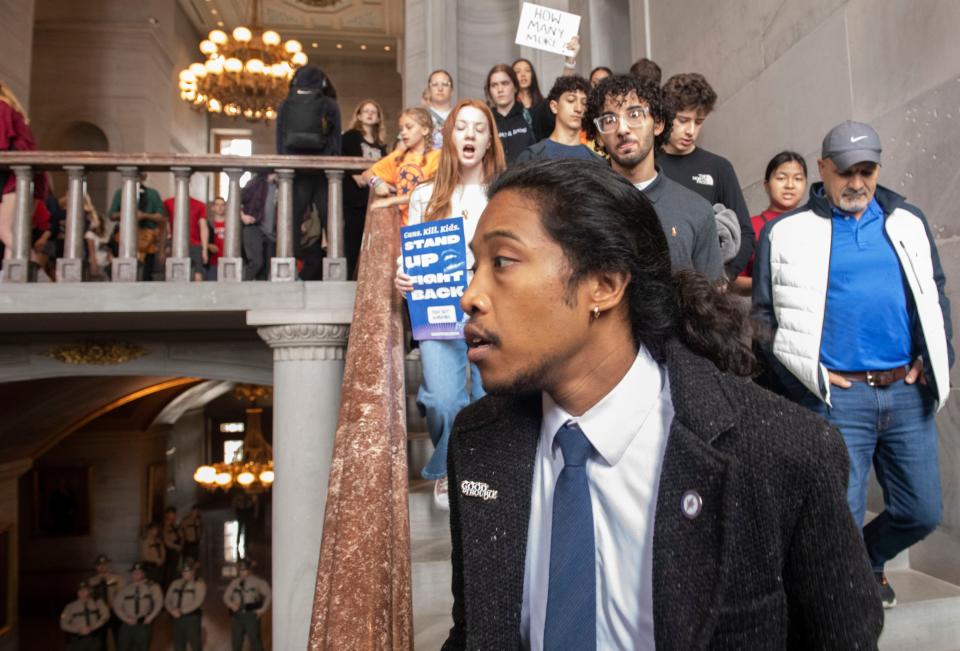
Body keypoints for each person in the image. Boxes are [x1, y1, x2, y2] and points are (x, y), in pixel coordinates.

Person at [442, 159, 883, 649]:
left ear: (605, 284)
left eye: (501, 262)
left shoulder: (784, 451)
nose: (470, 296)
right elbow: (473, 632)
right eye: (474, 266)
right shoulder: (478, 441)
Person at [752, 121, 953, 609]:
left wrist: (935, 353)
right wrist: (808, 377)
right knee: (836, 515)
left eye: (867, 170)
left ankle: (866, 561)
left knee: (921, 510)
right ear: (823, 169)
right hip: (839, 398)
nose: (857, 182)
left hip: (906, 392)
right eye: (845, 172)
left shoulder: (907, 220)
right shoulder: (786, 232)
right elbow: (763, 318)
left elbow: (934, 291)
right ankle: (844, 602)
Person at [396, 99, 506, 509]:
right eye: (463, 127)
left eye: (480, 128)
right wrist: (402, 273)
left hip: (492, 308)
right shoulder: (426, 195)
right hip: (438, 307)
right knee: (442, 399)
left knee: (488, 396)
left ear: (489, 139)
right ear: (449, 136)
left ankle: (466, 473)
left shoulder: (505, 193)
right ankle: (447, 464)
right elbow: (412, 252)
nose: (471, 135)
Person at [584, 74, 723, 280]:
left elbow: (711, 304)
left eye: (635, 114)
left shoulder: (696, 211)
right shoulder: (582, 206)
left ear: (657, 124)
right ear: (598, 136)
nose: (622, 129)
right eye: (609, 120)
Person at [657, 73, 754, 278]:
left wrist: (725, 275)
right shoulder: (649, 165)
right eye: (683, 120)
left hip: (706, 286)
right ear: (666, 115)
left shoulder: (719, 167)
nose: (690, 130)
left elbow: (746, 233)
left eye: (698, 122)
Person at [276, 65, 342, 279]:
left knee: (291, 219)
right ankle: (336, 269)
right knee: (330, 219)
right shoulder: (330, 104)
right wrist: (332, 161)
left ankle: (287, 267)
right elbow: (336, 140)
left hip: (297, 170)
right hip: (324, 172)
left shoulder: (285, 104)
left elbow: (280, 138)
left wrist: (286, 162)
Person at [731, 151, 807, 295]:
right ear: (766, 185)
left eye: (797, 179)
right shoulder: (750, 227)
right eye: (781, 178)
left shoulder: (815, 225)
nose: (790, 185)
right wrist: (771, 283)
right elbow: (733, 281)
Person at [361, 107, 439, 225]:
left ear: (425, 130)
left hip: (432, 225)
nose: (403, 132)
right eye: (401, 128)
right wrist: (376, 182)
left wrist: (392, 201)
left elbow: (429, 192)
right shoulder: (397, 157)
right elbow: (366, 174)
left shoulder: (437, 156)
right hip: (406, 227)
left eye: (409, 127)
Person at [0, 81, 47, 263]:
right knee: (13, 233)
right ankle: (13, 284)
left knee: (6, 231)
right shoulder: (8, 107)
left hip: (18, 177)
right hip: (21, 177)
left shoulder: (1, 107)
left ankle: (41, 277)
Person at [342, 99, 388, 278]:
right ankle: (351, 276)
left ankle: (368, 276)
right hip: (354, 197)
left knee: (372, 239)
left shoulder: (380, 144)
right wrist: (355, 174)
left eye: (373, 112)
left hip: (373, 196)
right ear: (359, 115)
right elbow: (343, 157)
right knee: (353, 238)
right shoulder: (351, 136)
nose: (369, 114)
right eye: (366, 111)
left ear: (378, 118)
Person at [515, 75, 597, 163]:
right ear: (554, 106)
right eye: (570, 100)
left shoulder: (596, 161)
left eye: (584, 103)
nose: (579, 109)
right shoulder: (531, 157)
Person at [108, 172, 167, 280]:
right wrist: (128, 213)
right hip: (126, 238)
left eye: (140, 175)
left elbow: (161, 217)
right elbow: (112, 214)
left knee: (146, 274)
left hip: (147, 240)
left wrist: (144, 215)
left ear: (145, 177)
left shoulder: (152, 194)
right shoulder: (121, 192)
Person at [485, 64, 535, 164]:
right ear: (490, 91)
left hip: (528, 177)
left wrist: (569, 64)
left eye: (505, 83)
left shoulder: (531, 116)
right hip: (495, 179)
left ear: (515, 87)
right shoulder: (485, 120)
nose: (500, 90)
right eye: (494, 85)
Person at [113, 562, 163, 651]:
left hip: (143, 624)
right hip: (127, 624)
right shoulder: (126, 588)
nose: (135, 574)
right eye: (134, 572)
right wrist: (125, 618)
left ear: (144, 573)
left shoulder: (152, 586)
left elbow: (159, 602)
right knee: (123, 647)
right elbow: (117, 606)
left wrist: (151, 617)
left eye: (138, 572)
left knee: (142, 648)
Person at [224, 559, 272, 651]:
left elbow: (268, 594)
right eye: (240, 570)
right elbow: (226, 596)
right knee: (236, 642)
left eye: (244, 570)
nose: (242, 572)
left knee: (255, 641)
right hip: (237, 615)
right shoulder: (235, 582)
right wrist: (231, 604)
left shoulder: (257, 581)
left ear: (249, 570)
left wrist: (263, 609)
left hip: (251, 615)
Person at [240, 172, 278, 280]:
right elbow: (236, 198)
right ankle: (236, 286)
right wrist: (242, 216)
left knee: (266, 271)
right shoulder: (256, 183)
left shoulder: (282, 185)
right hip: (255, 226)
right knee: (256, 263)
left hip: (272, 233)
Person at [162, 193, 209, 282]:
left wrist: (204, 249)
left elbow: (203, 228)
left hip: (194, 244)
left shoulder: (199, 205)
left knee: (198, 275)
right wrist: (164, 244)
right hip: (174, 243)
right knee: (171, 273)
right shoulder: (168, 203)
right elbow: (165, 223)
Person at [165, 559, 206, 651]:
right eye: (183, 571)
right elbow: (168, 599)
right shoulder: (175, 583)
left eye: (187, 571)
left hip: (191, 619)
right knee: (178, 644)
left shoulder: (199, 584)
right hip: (176, 618)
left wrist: (182, 611)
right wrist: (171, 610)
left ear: (193, 572)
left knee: (195, 644)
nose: (184, 573)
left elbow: (198, 601)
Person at [60, 580, 110, 651]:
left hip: (94, 639)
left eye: (85, 590)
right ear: (77, 592)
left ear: (89, 591)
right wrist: (78, 630)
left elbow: (106, 615)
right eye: (80, 590)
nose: (82, 592)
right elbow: (63, 624)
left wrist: (94, 627)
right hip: (78, 640)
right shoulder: (70, 606)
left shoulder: (98, 603)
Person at [87, 553, 124, 649]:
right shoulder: (91, 581)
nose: (102, 567)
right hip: (100, 613)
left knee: (118, 637)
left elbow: (121, 594)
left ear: (108, 565)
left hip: (114, 611)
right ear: (96, 567)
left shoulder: (117, 578)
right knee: (101, 640)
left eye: (105, 564)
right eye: (99, 565)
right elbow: (90, 598)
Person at [82, 195, 114, 281]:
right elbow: (91, 251)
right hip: (96, 263)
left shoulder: (105, 235)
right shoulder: (90, 234)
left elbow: (108, 249)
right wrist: (94, 265)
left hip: (106, 264)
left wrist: (112, 262)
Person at [425, 70, 454, 148]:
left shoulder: (459, 115)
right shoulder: (419, 116)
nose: (440, 88)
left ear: (452, 90)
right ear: (429, 91)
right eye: (435, 84)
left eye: (445, 84)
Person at [205, 197, 227, 280]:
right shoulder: (207, 224)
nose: (220, 207)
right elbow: (199, 240)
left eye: (222, 205)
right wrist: (208, 245)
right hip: (212, 263)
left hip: (227, 261)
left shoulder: (230, 223)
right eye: (217, 205)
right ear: (213, 208)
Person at [162, 506, 183, 588]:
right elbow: (167, 541)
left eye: (174, 515)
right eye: (171, 515)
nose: (173, 517)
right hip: (170, 552)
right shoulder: (165, 527)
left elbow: (181, 536)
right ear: (167, 515)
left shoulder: (176, 526)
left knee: (176, 570)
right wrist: (176, 547)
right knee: (170, 572)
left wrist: (181, 545)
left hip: (178, 551)